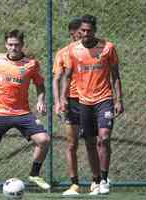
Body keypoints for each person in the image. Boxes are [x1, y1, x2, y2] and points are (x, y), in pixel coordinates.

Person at [0, 29, 51, 198]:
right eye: (10, 44)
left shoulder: (31, 64)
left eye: (17, 45)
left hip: (22, 113)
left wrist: (41, 100)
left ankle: (34, 174)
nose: (13, 48)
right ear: (6, 45)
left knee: (44, 140)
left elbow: (40, 84)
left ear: (22, 45)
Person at [61, 14, 124, 195]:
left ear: (95, 30)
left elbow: (116, 76)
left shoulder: (108, 48)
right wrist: (64, 98)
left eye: (89, 30)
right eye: (83, 31)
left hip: (104, 100)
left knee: (103, 138)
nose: (86, 33)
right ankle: (96, 180)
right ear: (79, 31)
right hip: (84, 102)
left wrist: (119, 100)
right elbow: (66, 76)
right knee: (89, 142)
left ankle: (104, 179)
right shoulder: (73, 50)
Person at [52, 17, 83, 196]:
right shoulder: (63, 53)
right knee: (72, 144)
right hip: (71, 101)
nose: (81, 35)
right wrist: (58, 102)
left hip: (92, 100)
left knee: (95, 141)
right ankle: (74, 184)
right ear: (73, 33)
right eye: (78, 33)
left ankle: (99, 180)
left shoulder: (95, 51)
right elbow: (56, 79)